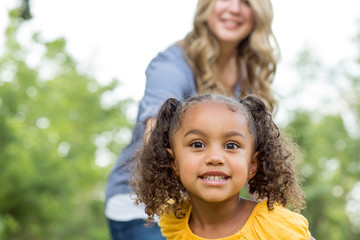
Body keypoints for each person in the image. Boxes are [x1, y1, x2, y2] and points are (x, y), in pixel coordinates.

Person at [105, 0, 279, 239]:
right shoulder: (172, 64)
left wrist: (275, 219)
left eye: (246, 2)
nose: (234, 8)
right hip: (144, 208)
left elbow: (249, 156)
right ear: (207, 6)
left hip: (206, 211)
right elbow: (154, 132)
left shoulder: (247, 76)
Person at [131, 94, 315, 240]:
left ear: (252, 165)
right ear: (173, 162)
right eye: (197, 144)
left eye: (231, 146)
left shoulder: (277, 228)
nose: (215, 158)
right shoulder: (174, 222)